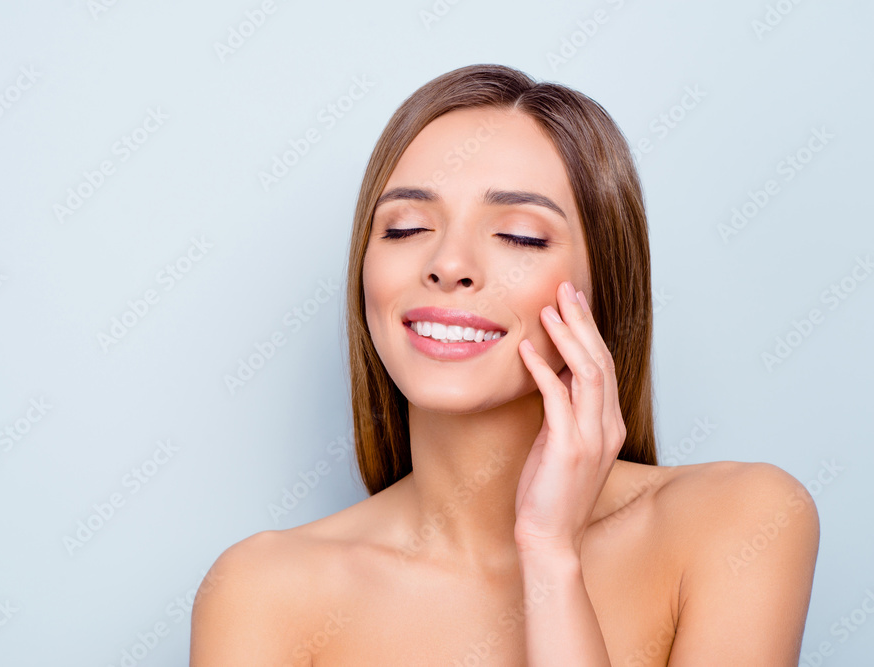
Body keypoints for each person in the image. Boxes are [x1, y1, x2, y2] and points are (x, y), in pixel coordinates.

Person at [190, 63, 819, 665]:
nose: (449, 263)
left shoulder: (742, 520)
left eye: (519, 236)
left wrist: (550, 556)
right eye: (406, 228)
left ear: (605, 285)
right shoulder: (261, 591)